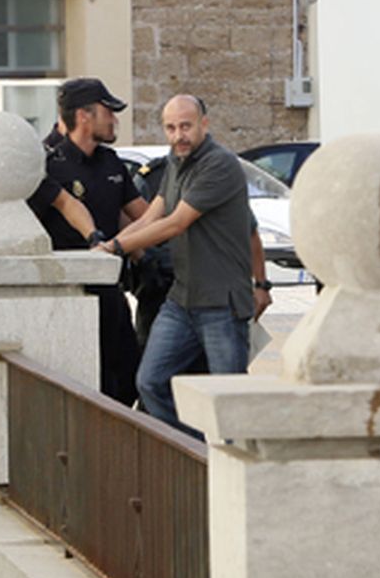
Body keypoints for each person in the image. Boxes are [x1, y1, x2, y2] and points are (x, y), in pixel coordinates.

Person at [101, 94, 271, 434]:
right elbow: (152, 215)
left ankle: (232, 466)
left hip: (221, 304)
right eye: (170, 127)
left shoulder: (219, 164)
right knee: (150, 382)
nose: (178, 135)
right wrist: (104, 247)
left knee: (229, 400)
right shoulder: (175, 161)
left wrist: (118, 246)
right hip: (181, 301)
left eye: (185, 126)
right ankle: (200, 451)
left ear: (204, 125)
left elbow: (176, 223)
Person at [40, 77, 150, 405]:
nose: (115, 119)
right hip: (69, 297)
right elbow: (66, 206)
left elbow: (140, 216)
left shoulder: (111, 162)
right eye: (108, 112)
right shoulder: (50, 165)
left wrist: (149, 256)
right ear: (84, 116)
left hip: (111, 291)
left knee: (130, 379)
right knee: (89, 386)